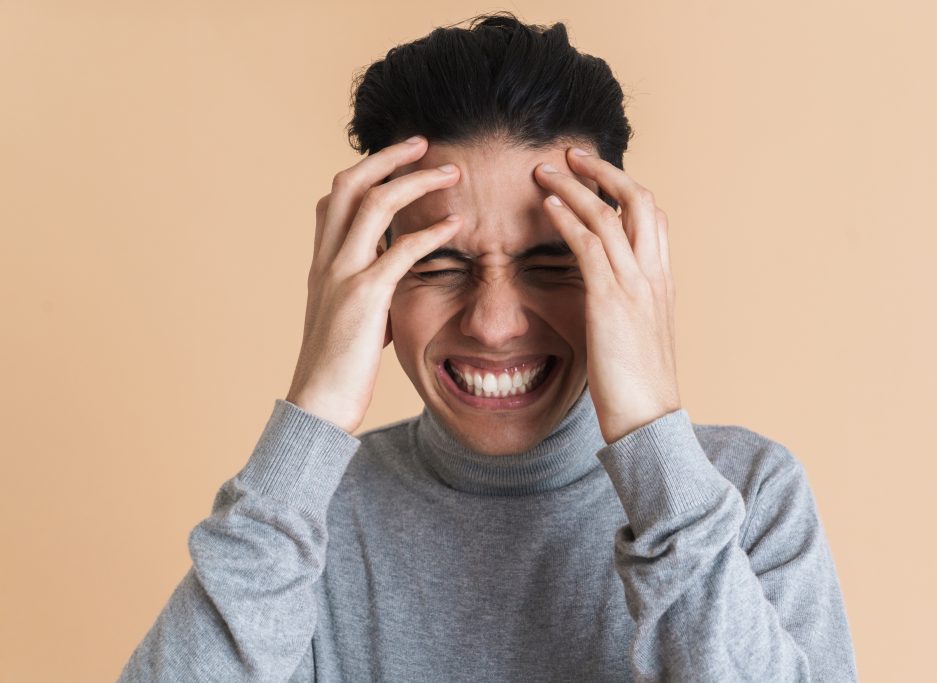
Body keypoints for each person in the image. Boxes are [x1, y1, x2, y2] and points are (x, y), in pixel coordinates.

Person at [118, 12, 858, 682]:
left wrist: (652, 440)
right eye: (437, 264)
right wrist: (310, 417)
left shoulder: (745, 495)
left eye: (553, 262)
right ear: (367, 276)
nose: (494, 322)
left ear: (627, 270)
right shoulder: (300, 521)